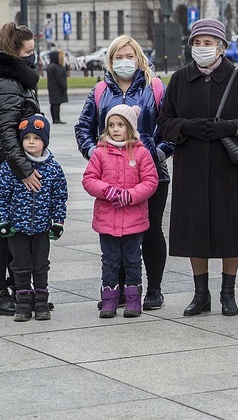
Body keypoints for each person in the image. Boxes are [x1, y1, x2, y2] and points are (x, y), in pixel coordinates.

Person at [158, 18, 238, 317]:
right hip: (191, 167)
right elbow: (164, 122)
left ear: (221, 47)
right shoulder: (180, 78)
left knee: (230, 230)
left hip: (227, 167)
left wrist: (230, 127)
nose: (202, 48)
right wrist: (187, 127)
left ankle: (228, 293)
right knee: (195, 230)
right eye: (197, 42)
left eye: (208, 42)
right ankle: (200, 294)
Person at [75, 34, 173, 310]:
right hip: (110, 178)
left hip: (150, 175)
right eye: (119, 57)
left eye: (129, 56)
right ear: (111, 60)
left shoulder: (155, 88)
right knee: (114, 234)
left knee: (151, 230)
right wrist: (94, 153)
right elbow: (83, 126)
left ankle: (153, 289)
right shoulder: (99, 91)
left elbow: (171, 126)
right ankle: (116, 291)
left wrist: (157, 153)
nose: (125, 61)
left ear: (138, 58)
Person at [0, 22, 41, 316]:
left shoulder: (9, 79)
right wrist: (25, 170)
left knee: (15, 227)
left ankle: (18, 290)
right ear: (15, 52)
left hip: (7, 164)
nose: (32, 57)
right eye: (28, 52)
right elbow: (6, 133)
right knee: (3, 228)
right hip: (7, 167)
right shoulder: (7, 84)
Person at [83, 104, 159, 318]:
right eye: (111, 125)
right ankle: (109, 300)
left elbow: (151, 181)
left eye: (120, 125)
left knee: (133, 260)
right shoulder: (100, 153)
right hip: (107, 220)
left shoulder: (141, 153)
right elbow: (89, 180)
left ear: (130, 128)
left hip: (133, 220)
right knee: (109, 261)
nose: (115, 129)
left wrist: (131, 195)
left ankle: (134, 299)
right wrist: (107, 191)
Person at [0, 114, 68, 322]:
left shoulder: (53, 168)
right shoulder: (12, 167)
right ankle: (23, 302)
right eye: (26, 138)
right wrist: (3, 220)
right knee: (20, 265)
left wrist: (58, 221)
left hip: (42, 228)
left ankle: (41, 301)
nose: (31, 142)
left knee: (41, 264)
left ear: (45, 141)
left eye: (36, 138)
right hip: (18, 227)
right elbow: (0, 196)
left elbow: (59, 196)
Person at [46, 50, 68, 124]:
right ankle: (57, 119)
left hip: (52, 87)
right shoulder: (57, 68)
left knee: (53, 104)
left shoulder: (50, 66)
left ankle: (55, 118)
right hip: (57, 88)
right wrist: (64, 87)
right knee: (56, 104)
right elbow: (60, 79)